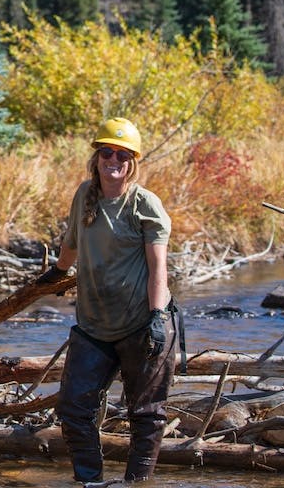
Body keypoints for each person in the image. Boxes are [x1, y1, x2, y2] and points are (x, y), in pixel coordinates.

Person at [39, 117, 177, 485]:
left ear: (133, 161)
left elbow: (157, 265)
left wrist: (158, 317)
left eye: (122, 154)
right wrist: (55, 274)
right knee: (72, 409)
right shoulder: (85, 194)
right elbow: (71, 243)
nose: (113, 159)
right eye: (106, 152)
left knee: (145, 414)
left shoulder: (145, 204)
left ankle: (136, 483)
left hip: (141, 323)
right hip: (93, 326)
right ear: (96, 157)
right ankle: (90, 481)